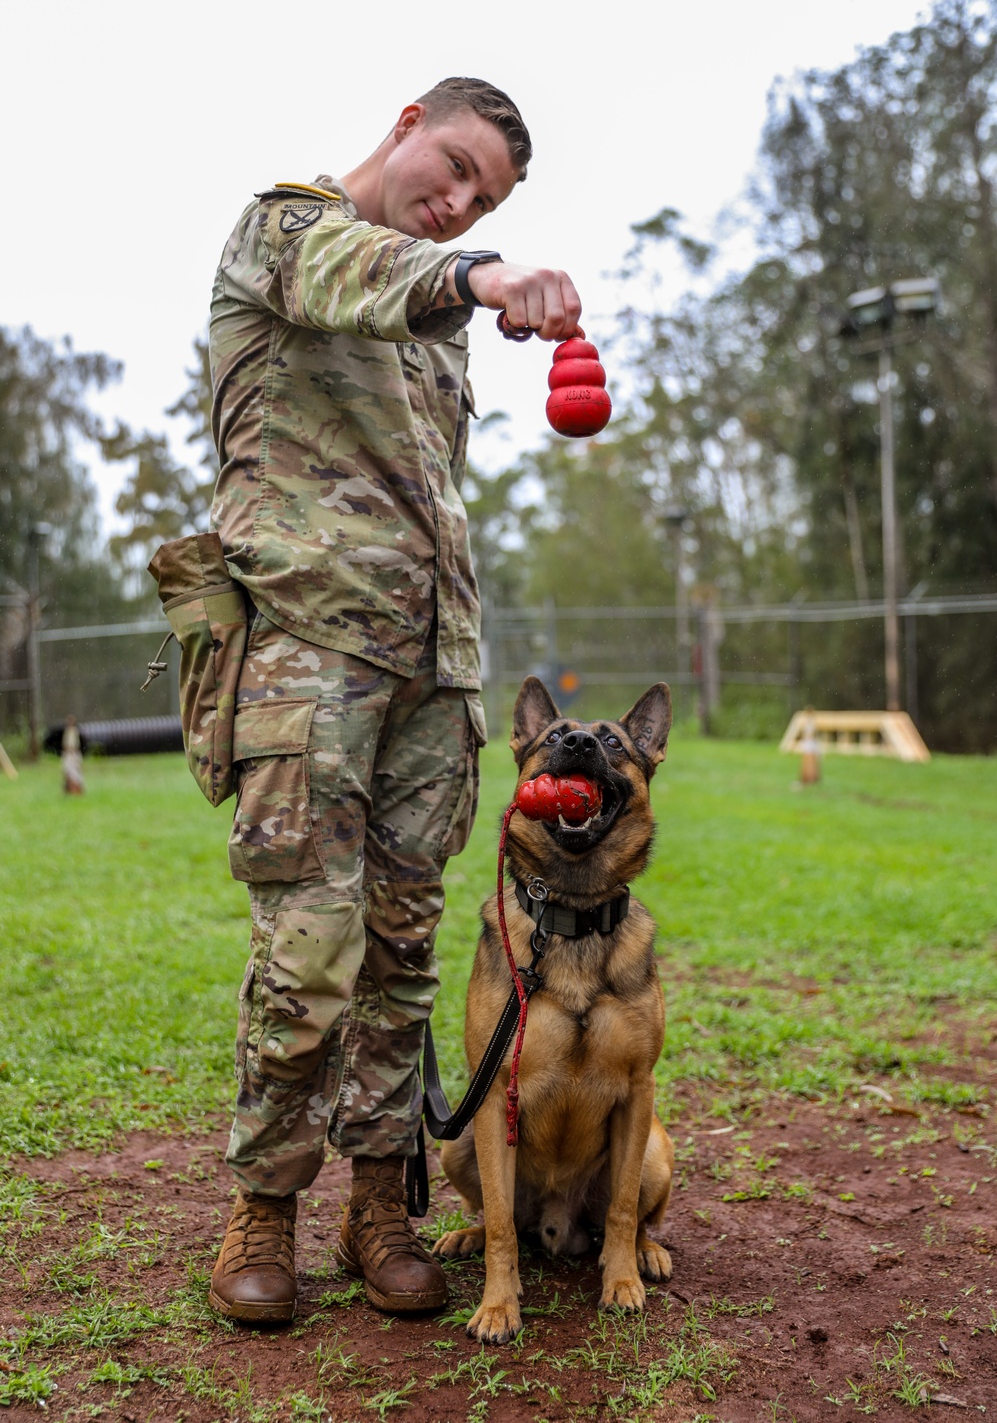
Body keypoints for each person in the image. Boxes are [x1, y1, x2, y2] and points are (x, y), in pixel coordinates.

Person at [206, 77, 583, 1324]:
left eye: (484, 195)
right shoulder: (286, 228)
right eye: (459, 165)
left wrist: (465, 293)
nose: (459, 198)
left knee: (403, 957)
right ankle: (262, 1213)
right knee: (307, 955)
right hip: (312, 660)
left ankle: (380, 1209)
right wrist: (481, 270)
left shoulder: (436, 317)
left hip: (432, 674)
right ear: (411, 118)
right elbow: (356, 271)